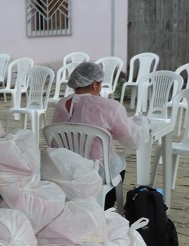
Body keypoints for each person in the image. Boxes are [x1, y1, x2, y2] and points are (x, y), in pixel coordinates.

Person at [52, 61, 150, 210]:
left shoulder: (61, 104)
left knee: (113, 160)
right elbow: (133, 140)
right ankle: (105, 206)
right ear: (94, 84)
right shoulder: (110, 107)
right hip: (95, 172)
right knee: (119, 161)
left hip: (62, 168)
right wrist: (143, 123)